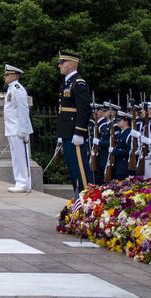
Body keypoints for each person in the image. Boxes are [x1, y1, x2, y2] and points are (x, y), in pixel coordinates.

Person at [56, 52, 91, 197]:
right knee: (72, 167)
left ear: (71, 64)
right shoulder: (67, 82)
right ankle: (77, 196)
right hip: (67, 132)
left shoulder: (78, 83)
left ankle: (86, 197)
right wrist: (61, 134)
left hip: (74, 133)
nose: (59, 65)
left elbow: (83, 109)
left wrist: (79, 131)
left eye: (62, 62)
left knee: (80, 168)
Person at [2, 65, 33, 192]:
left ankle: (24, 183)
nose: (5, 76)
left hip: (18, 129)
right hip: (12, 128)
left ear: (14, 75)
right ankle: (19, 181)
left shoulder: (18, 89)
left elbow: (23, 110)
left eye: (7, 74)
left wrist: (24, 130)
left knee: (21, 157)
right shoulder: (11, 89)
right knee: (16, 157)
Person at [91, 104, 112, 184]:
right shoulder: (104, 124)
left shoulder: (108, 125)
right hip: (101, 153)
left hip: (106, 153)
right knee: (99, 174)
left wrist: (98, 142)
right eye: (103, 111)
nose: (103, 113)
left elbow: (110, 141)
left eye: (105, 111)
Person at [112, 112, 132, 181]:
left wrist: (115, 151)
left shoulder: (129, 133)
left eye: (120, 120)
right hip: (118, 164)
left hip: (124, 165)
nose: (118, 122)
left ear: (126, 121)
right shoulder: (121, 132)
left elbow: (129, 151)